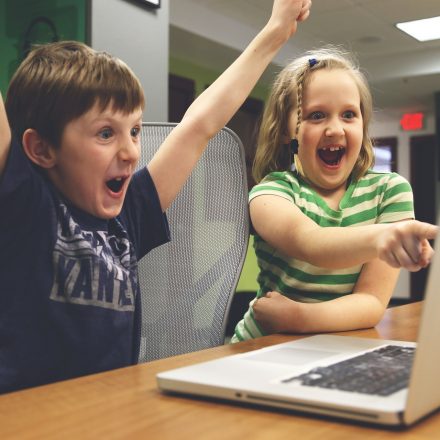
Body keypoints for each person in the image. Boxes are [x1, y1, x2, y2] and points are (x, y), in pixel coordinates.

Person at [0, 0, 312, 393]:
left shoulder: (130, 212)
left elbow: (200, 126)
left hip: (108, 412)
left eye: (134, 130)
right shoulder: (21, 204)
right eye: (105, 133)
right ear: (41, 149)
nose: (132, 151)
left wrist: (275, 32)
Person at [232, 47, 438, 342]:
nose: (334, 129)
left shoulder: (390, 191)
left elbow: (371, 303)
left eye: (349, 115)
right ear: (285, 130)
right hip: (262, 346)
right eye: (316, 115)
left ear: (363, 124)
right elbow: (312, 243)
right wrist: (382, 237)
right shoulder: (270, 193)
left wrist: (298, 318)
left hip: (333, 346)